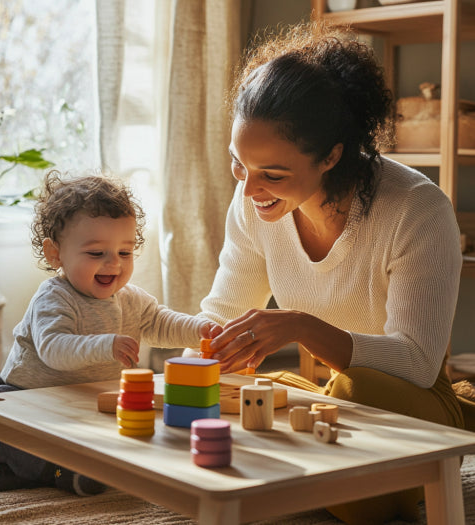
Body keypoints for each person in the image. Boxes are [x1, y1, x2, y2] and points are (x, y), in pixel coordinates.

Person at [198, 22, 465, 525]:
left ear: (331, 156)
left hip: (411, 405)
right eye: (239, 165)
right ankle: (314, 472)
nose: (250, 189)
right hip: (331, 400)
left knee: (350, 395)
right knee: (236, 393)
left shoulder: (415, 210)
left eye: (272, 174)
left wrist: (300, 326)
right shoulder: (253, 202)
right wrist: (197, 366)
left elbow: (417, 363)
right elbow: (220, 311)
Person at [0, 169, 221, 496]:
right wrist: (105, 345)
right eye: (97, 253)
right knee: (1, 419)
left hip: (86, 400)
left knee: (129, 425)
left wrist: (200, 329)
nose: (114, 264)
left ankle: (24, 471)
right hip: (29, 397)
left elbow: (161, 323)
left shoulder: (131, 299)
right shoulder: (54, 297)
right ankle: (57, 471)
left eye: (125, 252)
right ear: (56, 254)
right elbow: (55, 348)